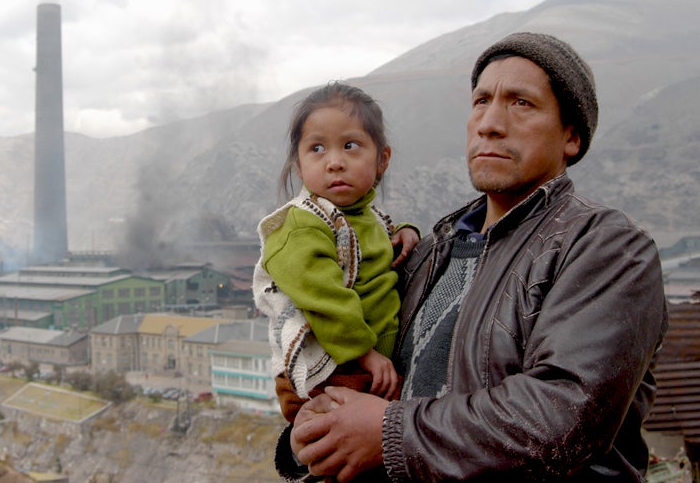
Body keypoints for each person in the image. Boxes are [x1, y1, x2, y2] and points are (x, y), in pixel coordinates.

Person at [279, 32, 669, 481]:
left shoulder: (607, 248)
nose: (490, 123)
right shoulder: (425, 254)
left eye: (521, 103)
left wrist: (388, 431)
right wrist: (308, 435)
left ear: (571, 137)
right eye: (481, 101)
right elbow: (364, 383)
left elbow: (562, 417)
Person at [253, 82, 419, 423]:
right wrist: (366, 354)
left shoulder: (365, 216)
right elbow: (325, 300)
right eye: (317, 148)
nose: (335, 162)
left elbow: (376, 236)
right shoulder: (302, 226)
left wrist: (405, 231)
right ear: (299, 166)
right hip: (332, 371)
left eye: (351, 145)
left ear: (382, 159)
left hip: (370, 366)